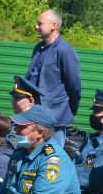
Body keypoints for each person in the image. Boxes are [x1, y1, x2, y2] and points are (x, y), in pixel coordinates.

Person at [25, 9, 81, 147]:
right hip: (34, 114)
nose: (36, 27)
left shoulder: (65, 50)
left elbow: (74, 87)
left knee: (52, 158)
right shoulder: (38, 48)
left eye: (40, 23)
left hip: (55, 118)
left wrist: (66, 111)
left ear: (53, 25)